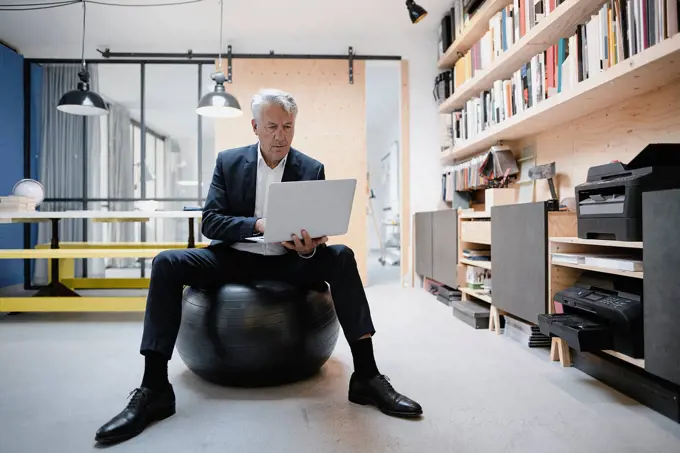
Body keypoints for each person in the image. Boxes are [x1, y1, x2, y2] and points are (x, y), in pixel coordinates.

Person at [95, 88, 422, 444]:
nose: (280, 136)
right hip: (232, 258)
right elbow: (211, 222)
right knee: (166, 263)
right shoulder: (228, 162)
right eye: (271, 127)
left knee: (342, 256)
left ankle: (367, 377)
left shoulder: (311, 168)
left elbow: (317, 228)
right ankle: (154, 387)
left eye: (287, 127)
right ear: (254, 126)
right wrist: (257, 225)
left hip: (288, 261)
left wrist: (310, 247)